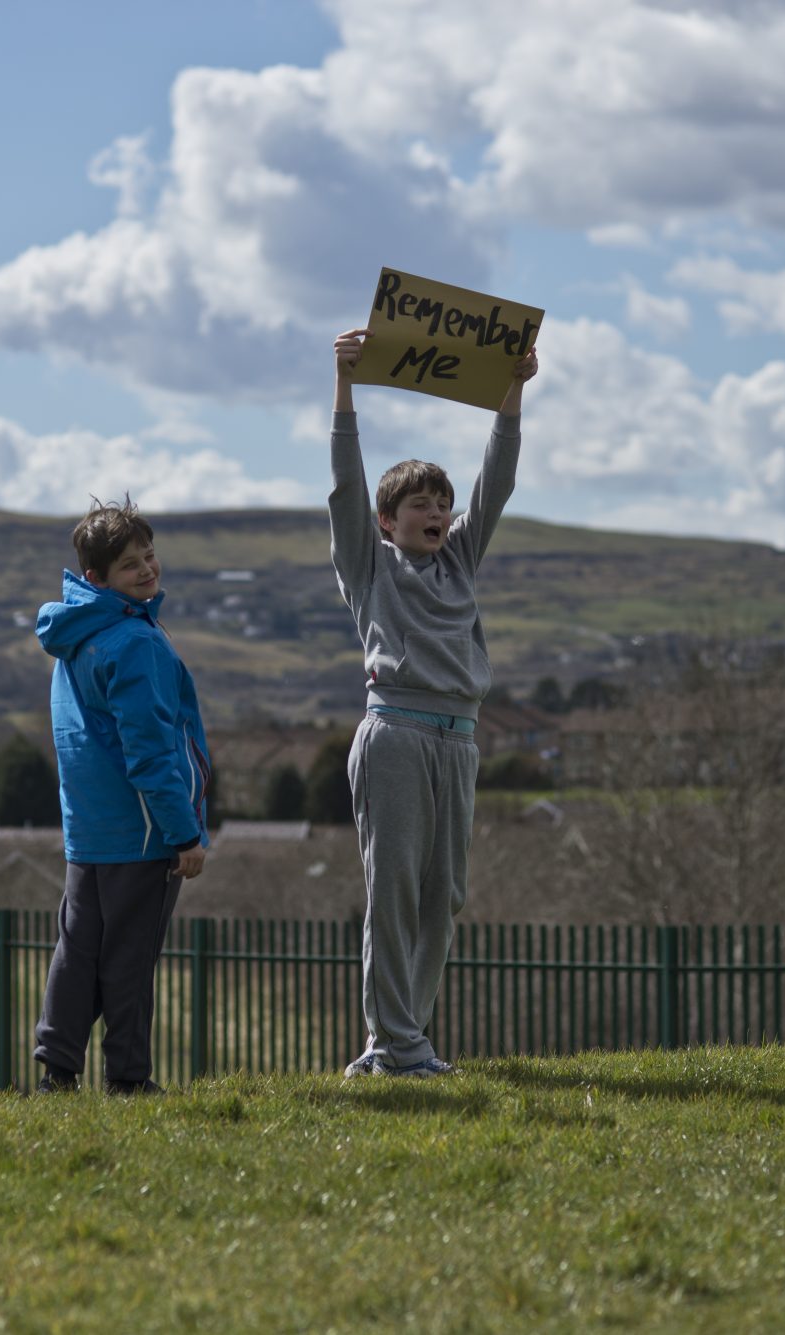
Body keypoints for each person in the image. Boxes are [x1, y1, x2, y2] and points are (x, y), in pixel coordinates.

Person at [327, 326, 538, 1077]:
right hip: (396, 732)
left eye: (442, 502)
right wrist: (345, 384)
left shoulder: (460, 562)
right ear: (388, 521)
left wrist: (514, 386)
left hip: (460, 740)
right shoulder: (370, 566)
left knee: (440, 897)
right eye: (419, 502)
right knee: (393, 892)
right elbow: (347, 485)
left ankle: (402, 1038)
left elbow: (498, 479)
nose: (437, 511)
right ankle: (395, 1046)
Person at [31, 495, 212, 1096]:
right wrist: (182, 831)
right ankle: (129, 1080)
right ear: (97, 578)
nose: (148, 570)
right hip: (142, 835)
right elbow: (152, 750)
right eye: (131, 564)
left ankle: (58, 1069)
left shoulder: (75, 639)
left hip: (88, 834)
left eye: (150, 556)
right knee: (129, 962)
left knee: (77, 951)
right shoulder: (136, 643)